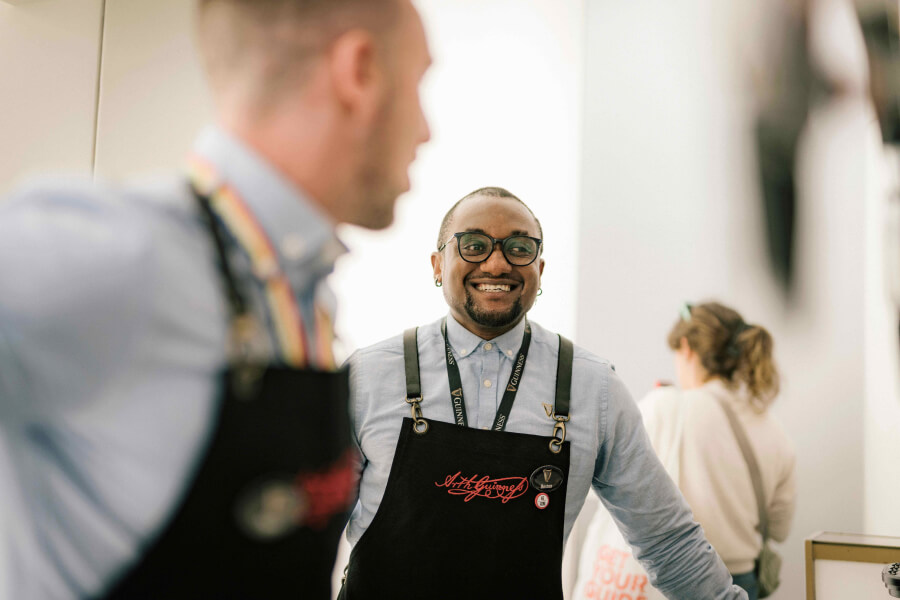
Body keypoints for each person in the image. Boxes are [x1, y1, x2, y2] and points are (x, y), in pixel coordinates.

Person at [0, 1, 431, 598]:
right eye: (419, 83)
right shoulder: (116, 255)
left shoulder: (300, 284)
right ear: (357, 71)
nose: (426, 129)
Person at [340, 187, 747, 599]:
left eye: (519, 247)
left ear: (539, 268)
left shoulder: (594, 389)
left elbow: (668, 543)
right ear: (437, 265)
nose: (496, 263)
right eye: (474, 245)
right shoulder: (369, 376)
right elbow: (303, 529)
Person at [642, 302, 797, 598]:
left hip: (683, 580)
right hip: (744, 583)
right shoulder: (773, 429)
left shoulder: (668, 407)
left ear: (686, 348)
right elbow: (779, 529)